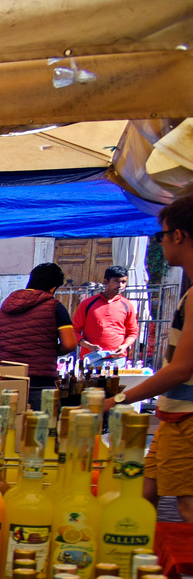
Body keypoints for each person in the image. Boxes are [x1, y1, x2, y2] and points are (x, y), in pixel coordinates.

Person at [113, 192, 193, 519]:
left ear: (178, 235)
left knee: (187, 504)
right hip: (174, 417)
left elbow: (181, 369)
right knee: (144, 491)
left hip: (187, 418)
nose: (159, 243)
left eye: (160, 236)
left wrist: (119, 400)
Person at [0, 263, 77, 407]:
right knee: (42, 426)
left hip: (6, 380)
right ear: (53, 288)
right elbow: (69, 344)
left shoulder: (3, 309)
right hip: (40, 382)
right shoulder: (54, 306)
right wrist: (49, 350)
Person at [73, 265, 140, 369]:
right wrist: (88, 346)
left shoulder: (128, 305)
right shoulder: (87, 304)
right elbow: (74, 330)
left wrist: (124, 346)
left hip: (117, 360)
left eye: (123, 282)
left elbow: (133, 332)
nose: (120, 285)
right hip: (90, 358)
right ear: (106, 281)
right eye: (116, 281)